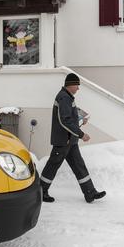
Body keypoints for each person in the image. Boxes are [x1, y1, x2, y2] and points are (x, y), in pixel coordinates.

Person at [40, 73, 106, 203]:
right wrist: (82, 134)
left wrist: (81, 118)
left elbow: (71, 116)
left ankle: (90, 193)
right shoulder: (64, 98)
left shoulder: (68, 97)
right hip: (64, 141)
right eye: (77, 85)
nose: (78, 88)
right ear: (70, 85)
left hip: (70, 140)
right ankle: (41, 192)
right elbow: (65, 120)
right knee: (52, 166)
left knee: (79, 166)